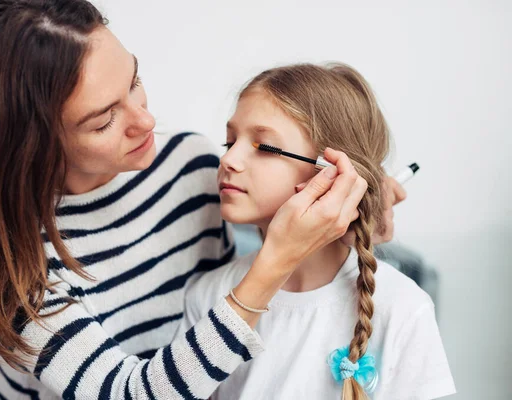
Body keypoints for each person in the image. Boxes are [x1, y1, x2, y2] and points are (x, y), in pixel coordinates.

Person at [0, 1, 397, 398]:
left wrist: (357, 203)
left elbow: (229, 300)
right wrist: (275, 261)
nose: (145, 122)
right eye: (104, 120)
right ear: (29, 145)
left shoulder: (190, 165)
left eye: (133, 81)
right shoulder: (11, 264)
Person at [178, 63, 456, 399]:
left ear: (333, 171)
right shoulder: (208, 295)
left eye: (263, 146)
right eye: (229, 142)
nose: (228, 160)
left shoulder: (402, 307)